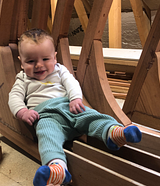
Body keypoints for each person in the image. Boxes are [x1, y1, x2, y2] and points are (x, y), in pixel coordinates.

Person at [8, 29, 142, 186]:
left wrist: (75, 99)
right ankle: (57, 169)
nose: (39, 65)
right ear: (21, 62)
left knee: (92, 116)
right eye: (30, 61)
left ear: (54, 57)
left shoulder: (60, 70)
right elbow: (14, 97)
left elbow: (72, 84)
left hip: (70, 108)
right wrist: (22, 112)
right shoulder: (23, 79)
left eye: (45, 59)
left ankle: (113, 133)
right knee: (46, 137)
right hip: (45, 116)